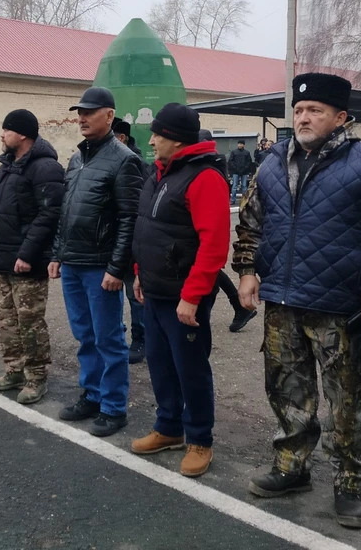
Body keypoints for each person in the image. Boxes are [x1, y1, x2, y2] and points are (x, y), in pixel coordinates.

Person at [232, 72, 361, 529]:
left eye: (314, 110)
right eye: (298, 110)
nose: (303, 117)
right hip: (282, 301)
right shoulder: (273, 161)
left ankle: (350, 482)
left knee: (345, 400)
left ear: (340, 117)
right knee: (287, 392)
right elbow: (251, 222)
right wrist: (246, 271)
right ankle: (291, 467)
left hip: (340, 304)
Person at [130, 103, 230, 478]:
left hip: (184, 296)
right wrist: (140, 273)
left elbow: (214, 245)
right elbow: (148, 230)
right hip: (155, 291)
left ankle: (200, 439)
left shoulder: (204, 178)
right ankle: (169, 428)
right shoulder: (159, 173)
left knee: (190, 369)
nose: (152, 140)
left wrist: (192, 295)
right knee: (159, 363)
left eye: (158, 134)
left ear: (176, 139)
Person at [49, 86, 143, 437]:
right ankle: (92, 394)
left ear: (109, 116)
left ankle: (114, 406)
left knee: (108, 338)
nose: (82, 118)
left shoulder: (124, 159)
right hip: (74, 263)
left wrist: (117, 268)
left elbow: (129, 219)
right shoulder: (76, 158)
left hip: (101, 266)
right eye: (80, 112)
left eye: (90, 112)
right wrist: (58, 254)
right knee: (84, 335)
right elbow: (65, 211)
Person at [0, 109, 64, 403]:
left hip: (28, 263)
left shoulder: (45, 168)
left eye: (6, 130)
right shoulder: (7, 167)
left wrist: (27, 254)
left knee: (30, 322)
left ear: (23, 134)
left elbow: (49, 215)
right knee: (6, 320)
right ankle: (14, 369)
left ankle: (36, 376)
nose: (1, 135)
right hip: (3, 260)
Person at [197, 130, 256, 333]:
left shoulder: (212, 162)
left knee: (209, 269)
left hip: (211, 222)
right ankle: (238, 307)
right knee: (211, 271)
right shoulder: (216, 161)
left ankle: (233, 308)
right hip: (210, 220)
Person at [113, 117, 149, 365]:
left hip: (131, 239)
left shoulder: (134, 164)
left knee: (134, 293)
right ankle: (119, 337)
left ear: (121, 138)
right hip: (110, 240)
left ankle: (141, 339)